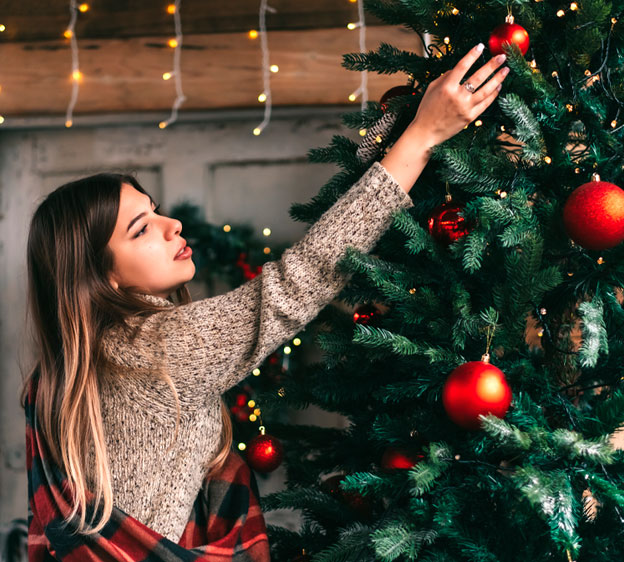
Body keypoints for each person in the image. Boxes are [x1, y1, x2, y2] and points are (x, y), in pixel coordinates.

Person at [22, 44, 508, 561]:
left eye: (156, 211)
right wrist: (422, 136)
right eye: (142, 229)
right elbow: (303, 279)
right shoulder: (152, 347)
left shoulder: (75, 365)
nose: (172, 226)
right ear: (102, 276)